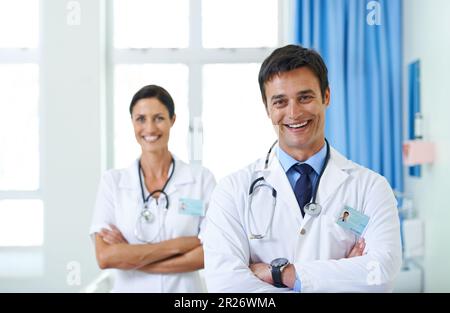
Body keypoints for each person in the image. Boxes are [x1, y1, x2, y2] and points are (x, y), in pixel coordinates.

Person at [202, 45, 402, 292]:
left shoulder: (370, 187)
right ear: (267, 108)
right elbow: (227, 287)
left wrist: (283, 274)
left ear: (326, 96)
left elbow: (380, 273)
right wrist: (339, 277)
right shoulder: (233, 190)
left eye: (305, 97)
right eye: (280, 102)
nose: (294, 113)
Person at [90, 85, 216, 292]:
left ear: (172, 120)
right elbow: (105, 257)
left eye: (158, 118)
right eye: (141, 119)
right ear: (132, 122)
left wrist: (130, 255)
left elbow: (210, 253)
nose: (149, 128)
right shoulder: (113, 182)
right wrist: (180, 245)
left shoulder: (201, 180)